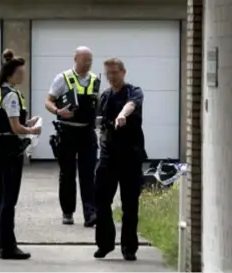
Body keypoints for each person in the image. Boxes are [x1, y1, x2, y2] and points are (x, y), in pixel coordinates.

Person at [0, 49, 41, 260]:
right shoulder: (11, 95)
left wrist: (26, 123)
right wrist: (32, 130)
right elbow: (15, 128)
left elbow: (7, 122)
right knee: (9, 199)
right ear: (11, 74)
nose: (23, 76)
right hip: (9, 151)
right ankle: (8, 247)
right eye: (20, 73)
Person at [94, 58, 147, 261]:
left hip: (130, 156)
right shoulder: (105, 96)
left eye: (115, 73)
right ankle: (105, 244)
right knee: (101, 200)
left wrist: (122, 116)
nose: (111, 77)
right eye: (108, 73)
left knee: (130, 204)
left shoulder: (134, 91)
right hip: (108, 156)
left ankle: (129, 247)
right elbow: (98, 122)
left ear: (123, 72)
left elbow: (131, 105)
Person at [45, 46, 100, 227]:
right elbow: (48, 101)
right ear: (76, 59)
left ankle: (90, 213)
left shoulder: (94, 80)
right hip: (67, 131)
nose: (88, 64)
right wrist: (58, 111)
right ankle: (67, 212)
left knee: (88, 174)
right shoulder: (63, 78)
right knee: (67, 174)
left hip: (87, 132)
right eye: (85, 60)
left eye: (90, 60)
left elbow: (96, 103)